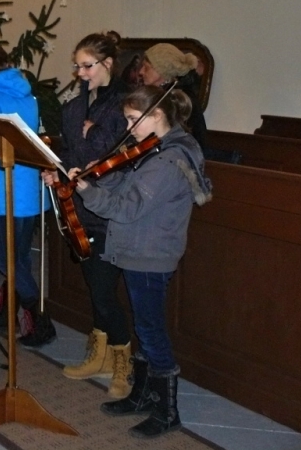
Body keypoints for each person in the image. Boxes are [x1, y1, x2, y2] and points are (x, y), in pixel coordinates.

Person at [74, 85, 211, 439]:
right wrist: (100, 174)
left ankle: (167, 411)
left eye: (134, 119)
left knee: (150, 330)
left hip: (150, 253)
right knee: (144, 325)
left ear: (158, 115)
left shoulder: (167, 160)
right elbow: (127, 183)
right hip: (141, 248)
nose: (129, 127)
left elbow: (125, 208)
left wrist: (88, 192)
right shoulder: (156, 148)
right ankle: (143, 394)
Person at [42, 31, 133, 399]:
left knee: (104, 291)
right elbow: (69, 154)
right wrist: (57, 171)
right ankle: (100, 356)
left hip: (109, 210)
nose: (80, 73)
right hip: (78, 208)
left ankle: (123, 362)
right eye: (77, 66)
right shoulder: (73, 109)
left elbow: (117, 157)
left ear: (107, 64)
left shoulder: (126, 106)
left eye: (87, 66)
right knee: (95, 288)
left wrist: (96, 133)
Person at [0, 44, 53, 347]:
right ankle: (8, 313)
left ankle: (40, 321)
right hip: (29, 191)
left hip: (4, 191)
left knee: (9, 262)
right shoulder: (27, 96)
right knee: (20, 257)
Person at [138, 43, 207, 149]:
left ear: (162, 71)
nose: (141, 71)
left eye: (146, 67)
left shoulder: (179, 100)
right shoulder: (162, 95)